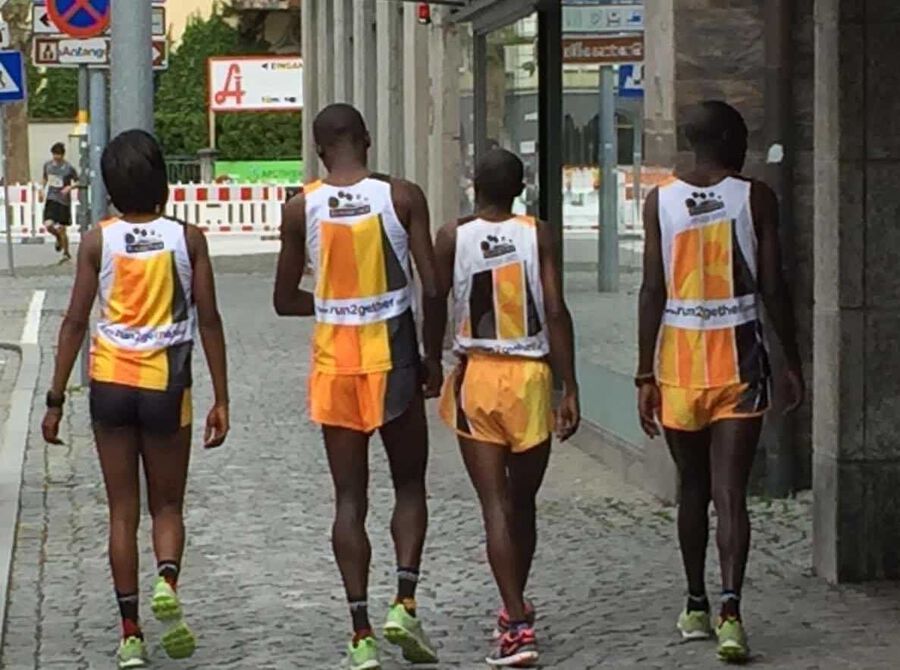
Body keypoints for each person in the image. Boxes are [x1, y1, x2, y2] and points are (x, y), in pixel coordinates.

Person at [41, 130, 230, 669]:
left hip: (111, 384)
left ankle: (129, 633)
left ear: (109, 187)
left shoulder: (97, 242)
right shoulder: (188, 240)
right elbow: (209, 320)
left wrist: (55, 399)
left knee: (122, 511)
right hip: (168, 383)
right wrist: (221, 397)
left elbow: (75, 322)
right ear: (163, 182)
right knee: (167, 505)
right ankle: (166, 579)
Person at [274, 103, 444, 670]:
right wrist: (432, 357)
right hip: (394, 360)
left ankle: (361, 632)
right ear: (366, 139)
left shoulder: (301, 208)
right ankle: (406, 601)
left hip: (335, 367)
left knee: (349, 499)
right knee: (410, 486)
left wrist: (330, 303)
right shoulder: (402, 197)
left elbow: (283, 300)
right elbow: (434, 288)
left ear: (318, 149)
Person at [636, 101, 804, 663]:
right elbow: (774, 285)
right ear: (731, 140)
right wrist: (792, 359)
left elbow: (652, 289)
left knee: (692, 488)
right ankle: (732, 613)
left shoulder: (659, 200)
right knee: (731, 492)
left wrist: (644, 372)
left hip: (679, 364)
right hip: (740, 360)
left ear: (690, 142)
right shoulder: (756, 197)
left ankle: (695, 604)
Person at [434, 149, 580, 667]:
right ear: (521, 189)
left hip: (478, 375)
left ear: (473, 185)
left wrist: (429, 359)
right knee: (523, 503)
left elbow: (434, 300)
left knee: (494, 505)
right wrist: (570, 387)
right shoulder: (538, 234)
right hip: (531, 378)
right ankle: (514, 605)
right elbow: (556, 310)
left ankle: (516, 621)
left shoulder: (452, 237)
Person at [42, 142, 79, 261]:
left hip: (63, 201)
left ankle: (66, 253)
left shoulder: (68, 168)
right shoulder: (48, 165)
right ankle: (57, 237)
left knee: (62, 228)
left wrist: (70, 187)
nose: (56, 157)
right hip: (51, 198)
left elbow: (78, 180)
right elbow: (45, 178)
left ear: (63, 155)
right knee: (48, 225)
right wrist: (41, 190)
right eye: (54, 155)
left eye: (58, 155)